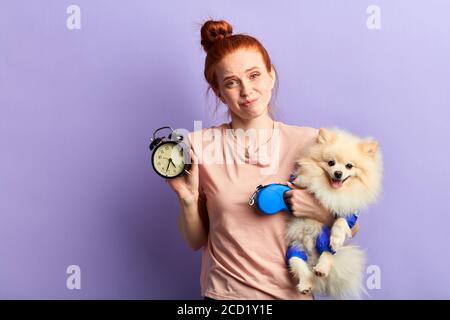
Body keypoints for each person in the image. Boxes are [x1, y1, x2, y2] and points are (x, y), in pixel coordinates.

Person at [167, 20, 359, 300]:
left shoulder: (312, 143)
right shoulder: (198, 146)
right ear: (219, 92)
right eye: (232, 83)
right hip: (226, 298)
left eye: (254, 75)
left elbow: (351, 223)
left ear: (271, 75)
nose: (246, 91)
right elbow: (196, 241)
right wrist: (186, 199)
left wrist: (319, 212)